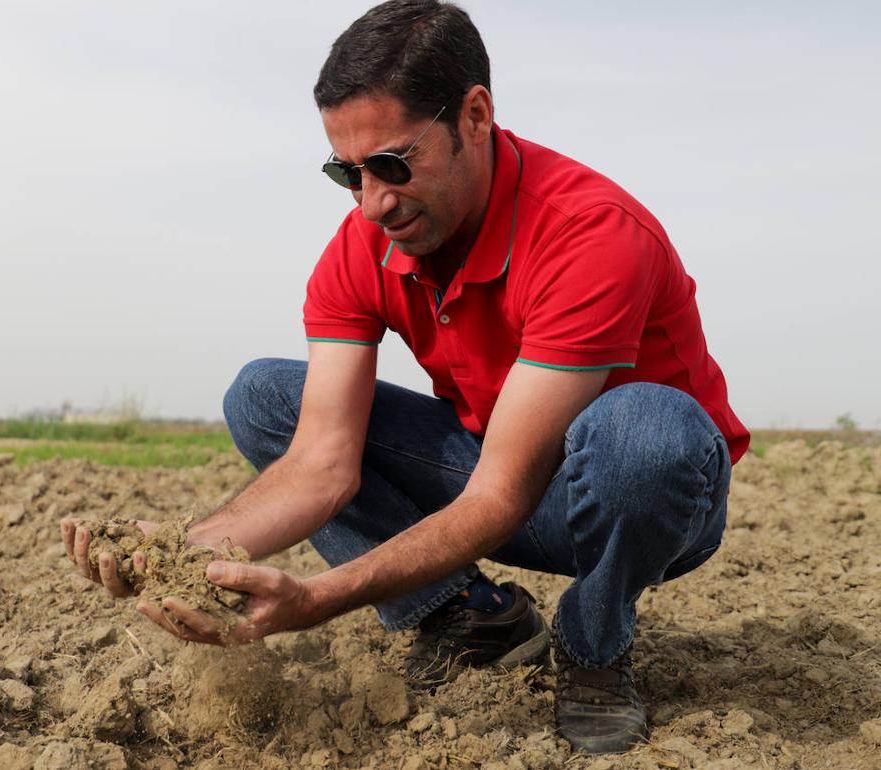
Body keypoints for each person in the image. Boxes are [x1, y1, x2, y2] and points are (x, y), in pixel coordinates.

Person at [62, 0, 748, 755]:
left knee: (646, 432)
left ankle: (594, 646)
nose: (373, 202)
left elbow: (501, 494)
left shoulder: (589, 233)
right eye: (346, 172)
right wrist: (187, 552)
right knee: (264, 397)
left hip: (644, 498)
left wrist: (321, 598)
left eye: (392, 164)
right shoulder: (366, 242)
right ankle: (468, 613)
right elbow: (321, 464)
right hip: (500, 471)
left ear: (476, 117)